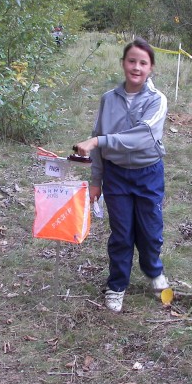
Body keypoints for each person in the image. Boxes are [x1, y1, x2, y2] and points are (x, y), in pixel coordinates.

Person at [74, 37, 169, 312]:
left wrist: (99, 142)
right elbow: (97, 136)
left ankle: (154, 272)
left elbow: (142, 137)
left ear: (151, 68)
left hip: (148, 173)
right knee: (121, 234)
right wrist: (96, 180)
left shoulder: (157, 100)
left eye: (143, 63)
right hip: (116, 176)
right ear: (123, 64)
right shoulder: (108, 99)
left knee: (150, 230)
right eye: (131, 61)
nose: (136, 67)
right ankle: (117, 285)